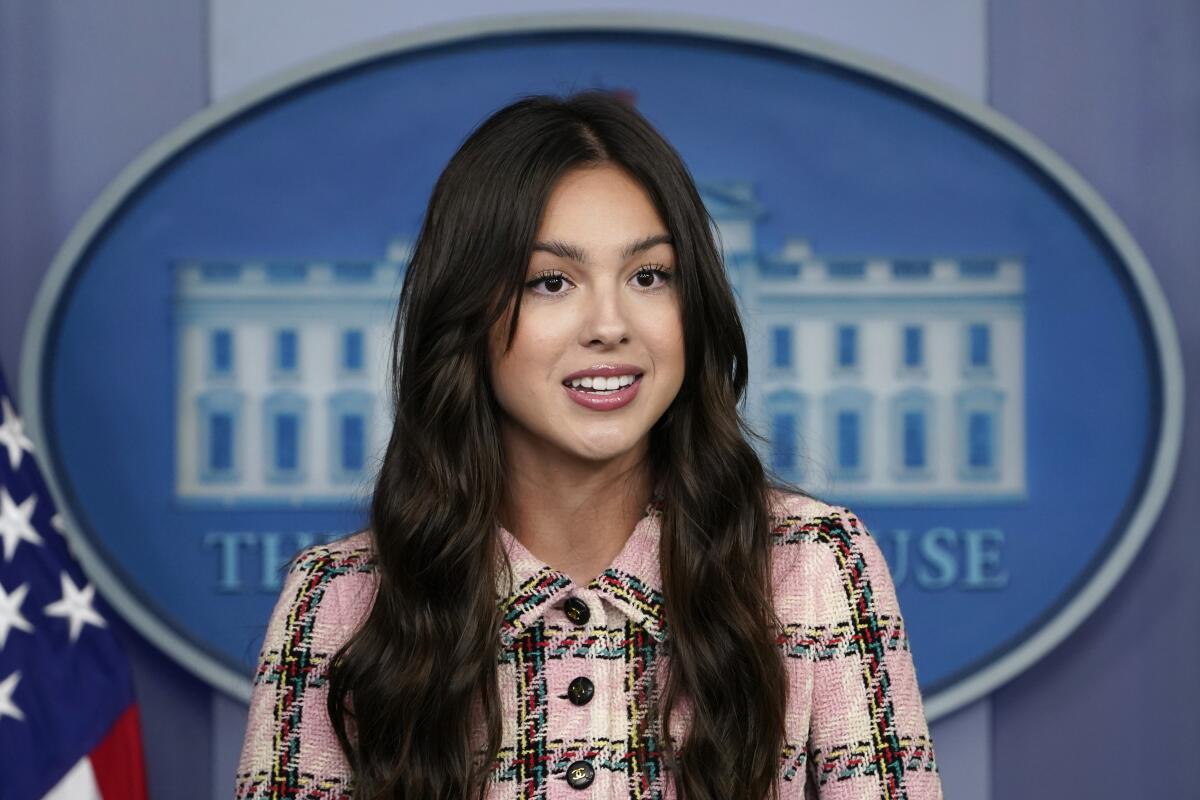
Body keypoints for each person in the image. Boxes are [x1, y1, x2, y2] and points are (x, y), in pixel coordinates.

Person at [235, 90, 943, 800]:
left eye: (648, 276)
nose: (610, 324)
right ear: (464, 316)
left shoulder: (815, 564)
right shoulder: (335, 601)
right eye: (551, 282)